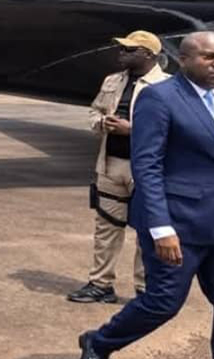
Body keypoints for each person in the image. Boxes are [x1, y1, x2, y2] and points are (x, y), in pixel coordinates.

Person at [79, 31, 214, 358]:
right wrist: (161, 228)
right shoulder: (161, 98)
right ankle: (98, 342)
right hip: (178, 223)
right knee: (163, 303)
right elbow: (147, 165)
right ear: (183, 60)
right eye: (209, 57)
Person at [68, 31, 169, 304]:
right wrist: (103, 123)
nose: (121, 53)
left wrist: (132, 130)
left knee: (147, 232)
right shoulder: (112, 81)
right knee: (106, 228)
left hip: (146, 171)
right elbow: (93, 112)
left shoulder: (168, 87)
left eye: (129, 49)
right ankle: (101, 285)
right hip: (111, 165)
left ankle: (146, 291)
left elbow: (173, 132)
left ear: (148, 55)